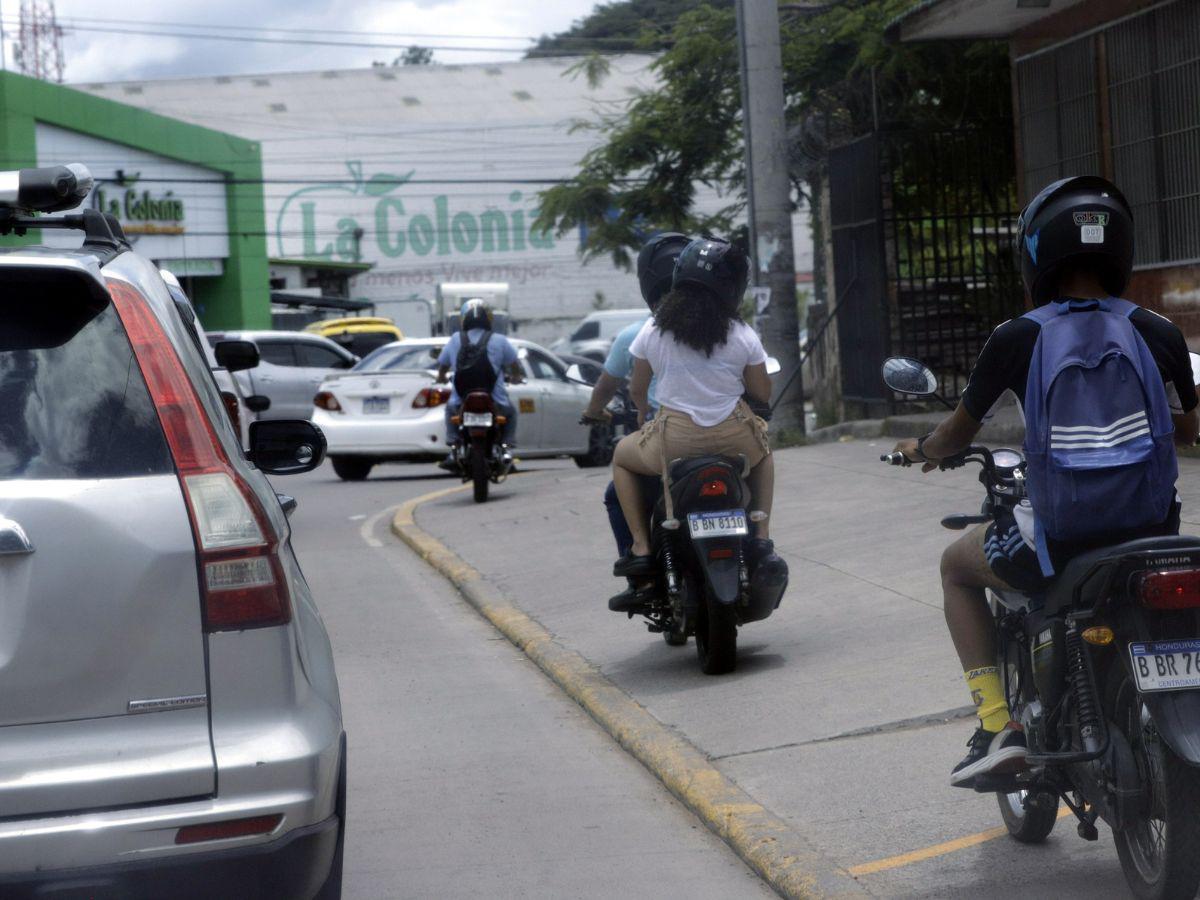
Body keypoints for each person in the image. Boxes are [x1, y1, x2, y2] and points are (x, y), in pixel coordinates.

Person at [890, 176, 1200, 788]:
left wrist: (919, 449)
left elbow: (954, 437)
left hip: (1065, 531)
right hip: (1151, 528)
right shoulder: (1158, 331)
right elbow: (1190, 433)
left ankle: (998, 724)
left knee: (956, 565)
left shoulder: (1019, 336)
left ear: (1036, 252)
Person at [610, 237, 776, 582]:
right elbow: (761, 390)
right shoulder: (742, 333)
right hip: (734, 439)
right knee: (764, 456)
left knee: (621, 458)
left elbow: (638, 389)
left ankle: (640, 547)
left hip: (674, 443)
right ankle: (760, 538)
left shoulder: (653, 330)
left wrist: (641, 414)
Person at [580, 233, 691, 611]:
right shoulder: (725, 327)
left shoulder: (640, 334)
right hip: (724, 432)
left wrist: (607, 413)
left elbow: (620, 389)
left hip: (665, 435)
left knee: (617, 490)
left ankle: (641, 566)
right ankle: (758, 537)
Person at [436, 299, 522, 469]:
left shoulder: (455, 340)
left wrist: (441, 378)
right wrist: (516, 377)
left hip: (460, 401)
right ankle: (506, 449)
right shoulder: (500, 340)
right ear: (489, 319)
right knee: (510, 413)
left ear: (463, 319)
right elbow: (515, 366)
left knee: (449, 410)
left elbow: (443, 367)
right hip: (496, 401)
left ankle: (453, 449)